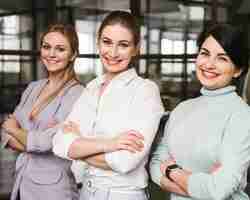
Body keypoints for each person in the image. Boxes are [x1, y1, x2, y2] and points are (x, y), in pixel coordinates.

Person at [53, 10, 164, 200]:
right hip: (85, 192)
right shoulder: (92, 87)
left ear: (136, 49)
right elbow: (58, 143)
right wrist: (110, 144)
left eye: (123, 45)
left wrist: (78, 145)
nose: (112, 53)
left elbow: (124, 161)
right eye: (107, 42)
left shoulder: (145, 91)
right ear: (98, 43)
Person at [150, 23, 250, 200]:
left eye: (222, 58)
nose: (209, 64)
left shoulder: (242, 116)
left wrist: (171, 170)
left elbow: (218, 190)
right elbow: (156, 164)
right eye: (205, 53)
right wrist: (197, 186)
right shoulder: (182, 109)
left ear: (238, 70)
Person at [1, 23, 84, 200]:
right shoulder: (33, 87)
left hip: (54, 190)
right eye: (46, 47)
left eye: (60, 49)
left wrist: (16, 130)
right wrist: (33, 140)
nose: (51, 54)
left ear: (73, 55)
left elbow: (51, 142)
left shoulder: (77, 94)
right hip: (22, 182)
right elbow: (5, 133)